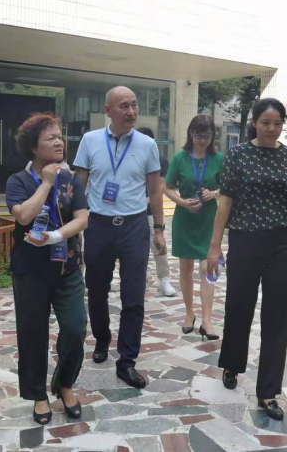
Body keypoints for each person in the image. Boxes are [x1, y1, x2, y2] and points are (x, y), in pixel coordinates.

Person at [207, 98, 287, 422]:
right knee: (239, 307)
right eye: (266, 123)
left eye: (277, 123)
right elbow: (225, 202)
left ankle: (268, 392)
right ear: (254, 123)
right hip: (245, 241)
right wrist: (214, 246)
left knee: (276, 318)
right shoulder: (238, 155)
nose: (272, 129)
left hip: (280, 244)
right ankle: (232, 364)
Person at [73, 86, 167, 389]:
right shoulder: (90, 141)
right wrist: (73, 227)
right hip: (99, 226)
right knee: (96, 291)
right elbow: (79, 186)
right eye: (123, 106)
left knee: (133, 296)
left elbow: (155, 191)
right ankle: (102, 339)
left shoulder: (147, 144)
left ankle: (127, 361)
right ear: (108, 111)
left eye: (134, 105)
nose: (131, 112)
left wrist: (158, 229)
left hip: (134, 227)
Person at [5, 113, 88, 425]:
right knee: (32, 334)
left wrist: (54, 237)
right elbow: (24, 216)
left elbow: (82, 218)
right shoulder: (17, 181)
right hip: (30, 272)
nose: (59, 142)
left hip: (68, 268)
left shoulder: (72, 179)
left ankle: (64, 383)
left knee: (75, 328)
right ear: (33, 147)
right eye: (50, 137)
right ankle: (38, 395)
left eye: (60, 136)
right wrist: (47, 182)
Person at [165, 115, 224, 339]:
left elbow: (228, 187)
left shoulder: (218, 159)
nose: (203, 140)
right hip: (185, 219)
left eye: (207, 136)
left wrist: (214, 193)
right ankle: (189, 314)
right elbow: (167, 187)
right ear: (191, 134)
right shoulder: (180, 158)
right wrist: (182, 202)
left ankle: (207, 321)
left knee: (207, 268)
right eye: (199, 136)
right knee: (186, 269)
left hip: (209, 220)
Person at [137, 127, 176, 297]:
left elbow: (160, 186)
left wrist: (147, 201)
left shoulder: (160, 160)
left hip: (152, 212)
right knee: (137, 248)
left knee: (158, 246)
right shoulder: (132, 158)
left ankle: (164, 279)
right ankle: (141, 279)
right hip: (133, 212)